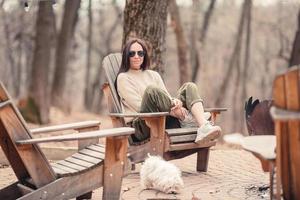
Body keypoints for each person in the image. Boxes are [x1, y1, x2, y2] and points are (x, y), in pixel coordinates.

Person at [116, 38, 221, 143]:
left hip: (164, 119)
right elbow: (139, 107)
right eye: (132, 53)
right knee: (151, 90)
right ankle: (188, 118)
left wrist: (175, 101)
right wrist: (173, 107)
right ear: (126, 55)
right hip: (142, 126)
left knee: (189, 86)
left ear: (144, 55)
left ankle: (202, 125)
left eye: (140, 53)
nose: (136, 56)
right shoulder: (123, 78)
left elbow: (165, 96)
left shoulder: (153, 75)